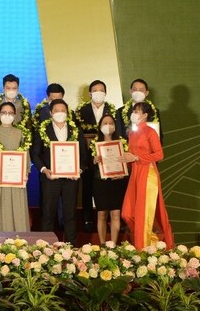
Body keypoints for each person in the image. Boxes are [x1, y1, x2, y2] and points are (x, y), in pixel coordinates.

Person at [32, 99, 89, 244]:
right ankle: (45, 249)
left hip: (71, 180)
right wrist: (44, 170)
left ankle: (70, 248)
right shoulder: (42, 130)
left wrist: (79, 170)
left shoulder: (75, 130)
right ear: (50, 113)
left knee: (70, 215)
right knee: (48, 215)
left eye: (63, 110)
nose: (60, 113)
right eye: (56, 111)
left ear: (67, 113)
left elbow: (84, 155)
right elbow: (35, 154)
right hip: (50, 178)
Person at [121, 102, 174, 249]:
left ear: (145, 115)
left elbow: (159, 155)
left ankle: (142, 250)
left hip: (148, 173)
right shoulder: (132, 133)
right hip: (135, 174)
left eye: (137, 111)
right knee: (127, 213)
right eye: (134, 111)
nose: (134, 114)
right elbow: (132, 156)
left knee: (143, 214)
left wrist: (137, 158)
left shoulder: (150, 132)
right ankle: (153, 241)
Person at [75, 80, 117, 231]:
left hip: (108, 155)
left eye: (101, 90)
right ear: (90, 93)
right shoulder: (81, 111)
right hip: (88, 155)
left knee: (108, 188)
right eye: (95, 90)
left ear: (105, 93)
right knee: (87, 187)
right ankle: (88, 220)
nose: (98, 93)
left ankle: (110, 220)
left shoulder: (112, 110)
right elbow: (78, 133)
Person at [0, 101, 31, 234]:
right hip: (0, 178)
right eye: (4, 112)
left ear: (15, 115)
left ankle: (20, 238)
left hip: (18, 178)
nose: (7, 115)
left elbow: (26, 154)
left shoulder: (21, 132)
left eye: (10, 113)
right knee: (0, 206)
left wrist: (26, 173)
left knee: (17, 205)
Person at [90, 112, 128, 245]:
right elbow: (87, 163)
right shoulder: (94, 143)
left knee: (115, 214)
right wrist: (94, 160)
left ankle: (112, 245)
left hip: (117, 182)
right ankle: (102, 244)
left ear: (115, 126)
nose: (108, 125)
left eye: (111, 123)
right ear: (100, 126)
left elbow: (127, 162)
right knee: (101, 214)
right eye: (105, 123)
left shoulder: (122, 143)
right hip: (100, 183)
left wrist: (123, 171)